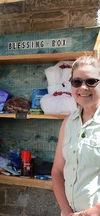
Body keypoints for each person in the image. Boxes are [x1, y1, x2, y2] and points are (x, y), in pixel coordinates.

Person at [52, 55, 100, 216]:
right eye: (77, 82)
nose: (83, 88)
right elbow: (57, 171)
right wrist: (65, 209)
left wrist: (92, 212)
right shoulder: (68, 123)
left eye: (91, 81)